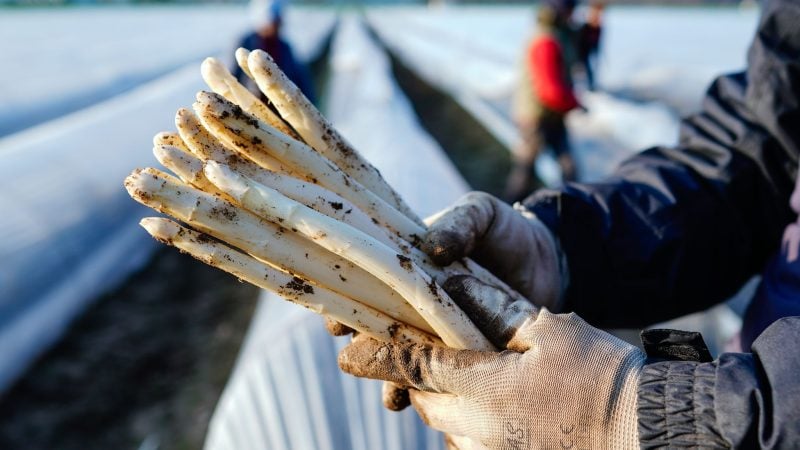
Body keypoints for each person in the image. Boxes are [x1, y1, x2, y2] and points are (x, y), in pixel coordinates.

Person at [338, 0, 800, 447]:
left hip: (746, 413)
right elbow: (757, 156)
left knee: (542, 156)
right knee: (539, 158)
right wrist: (566, 248)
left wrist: (690, 417)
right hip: (748, 367)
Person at [507, 0, 582, 202]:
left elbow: (581, 43)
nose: (574, 15)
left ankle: (573, 208)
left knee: (568, 167)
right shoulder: (546, 40)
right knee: (526, 170)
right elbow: (550, 90)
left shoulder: (556, 35)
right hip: (537, 116)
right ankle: (507, 214)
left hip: (551, 114)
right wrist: (575, 103)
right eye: (571, 10)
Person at [233, 0, 316, 104]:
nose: (277, 27)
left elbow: (299, 78)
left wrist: (309, 101)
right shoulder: (246, 42)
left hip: (280, 107)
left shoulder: (285, 48)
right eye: (274, 22)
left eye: (278, 23)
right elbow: (232, 76)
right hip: (252, 106)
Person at [576, 2, 603, 91]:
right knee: (585, 71)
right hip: (582, 53)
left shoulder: (598, 28)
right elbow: (579, 43)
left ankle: (591, 87)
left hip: (591, 51)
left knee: (591, 70)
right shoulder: (584, 28)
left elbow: (597, 42)